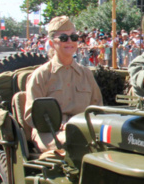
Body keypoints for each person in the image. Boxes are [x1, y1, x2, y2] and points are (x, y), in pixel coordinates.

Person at [24, 16, 103, 154]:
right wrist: (59, 124)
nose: (70, 42)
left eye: (73, 37)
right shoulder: (41, 75)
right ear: (51, 43)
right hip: (49, 131)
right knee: (72, 143)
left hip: (83, 129)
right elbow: (32, 115)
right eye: (63, 38)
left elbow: (97, 107)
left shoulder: (86, 74)